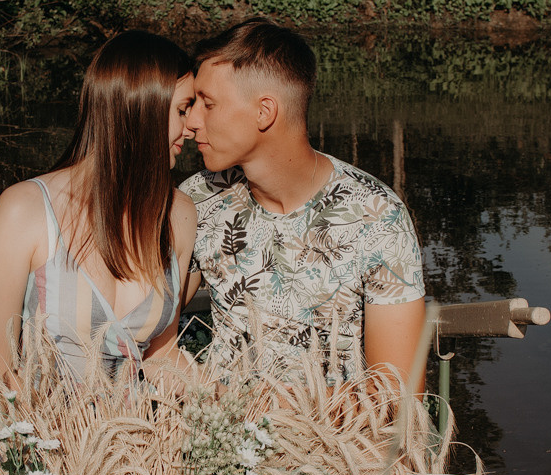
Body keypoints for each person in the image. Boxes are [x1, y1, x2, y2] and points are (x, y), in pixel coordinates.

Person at [179, 20, 427, 385]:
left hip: (334, 421)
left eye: (208, 104)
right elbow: (146, 323)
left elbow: (398, 395)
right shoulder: (196, 200)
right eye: (191, 104)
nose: (191, 121)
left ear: (264, 112)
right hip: (220, 419)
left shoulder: (377, 217)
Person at [0, 31, 200, 382]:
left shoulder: (179, 215)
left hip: (139, 419)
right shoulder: (25, 210)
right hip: (43, 418)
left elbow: (160, 355)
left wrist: (230, 398)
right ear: (141, 107)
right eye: (182, 110)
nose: (192, 127)